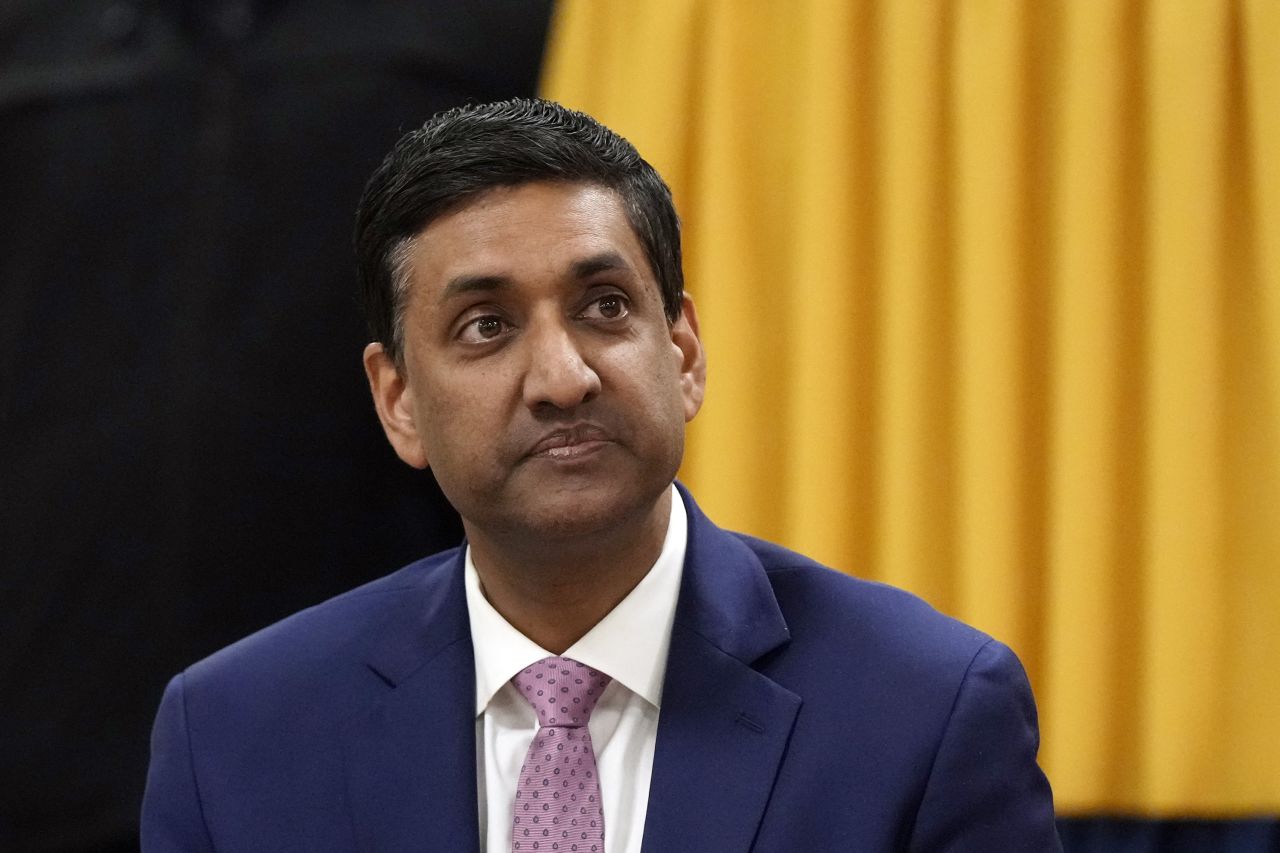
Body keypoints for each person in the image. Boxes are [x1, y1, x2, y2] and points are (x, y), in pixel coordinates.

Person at [142, 98, 1061, 852]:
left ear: (684, 350)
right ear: (399, 401)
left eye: (604, 306)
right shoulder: (234, 739)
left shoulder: (925, 711)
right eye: (487, 327)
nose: (563, 376)